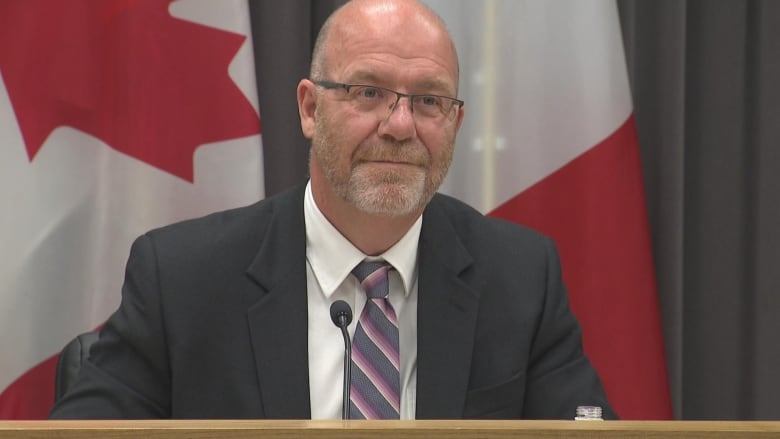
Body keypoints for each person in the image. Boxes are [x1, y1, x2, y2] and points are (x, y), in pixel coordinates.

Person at [50, 0, 615, 420]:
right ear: (310, 109)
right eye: (368, 92)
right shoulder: (181, 279)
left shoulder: (519, 278)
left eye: (428, 101)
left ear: (456, 124)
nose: (399, 127)